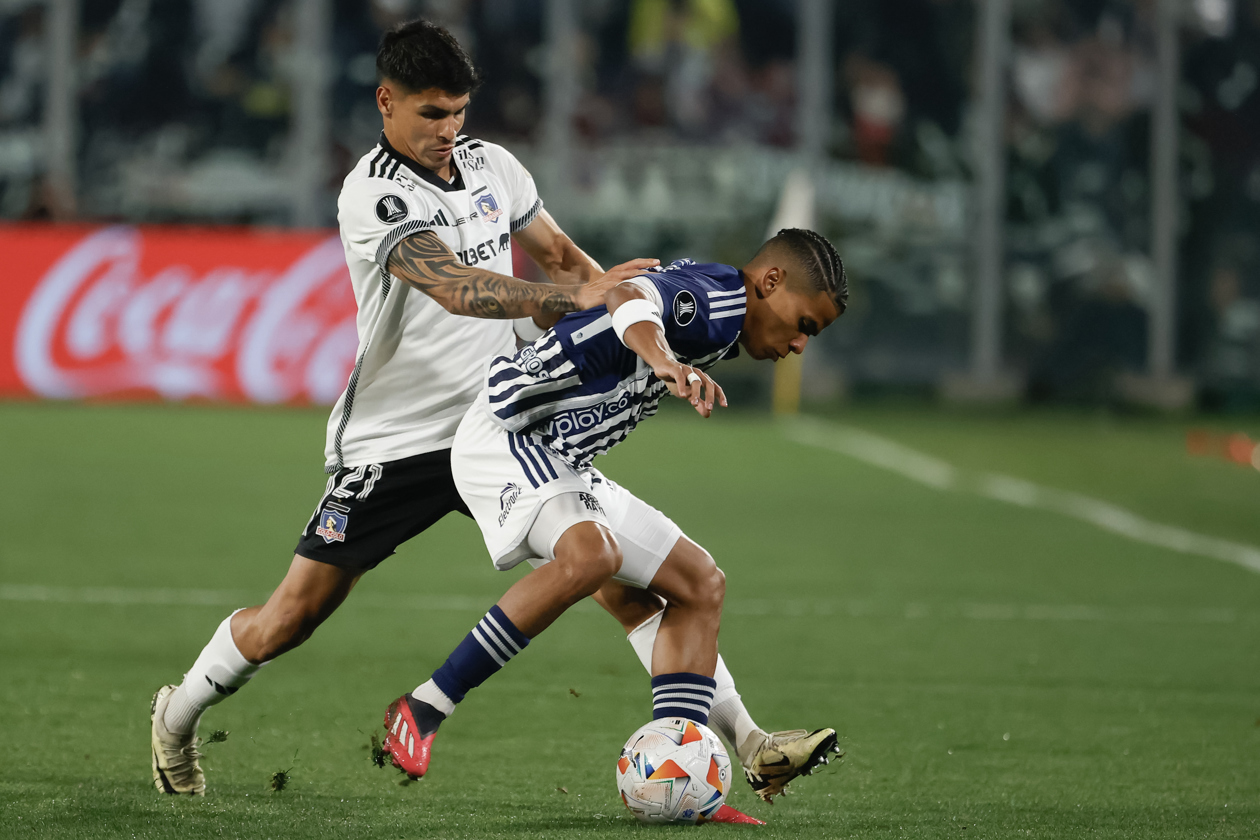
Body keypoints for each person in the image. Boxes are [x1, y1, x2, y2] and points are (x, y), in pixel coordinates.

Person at [149, 19, 832, 806]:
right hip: (399, 439)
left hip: (513, 425)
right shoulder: (371, 193)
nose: (449, 131)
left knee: (617, 579)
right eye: (432, 113)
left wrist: (608, 309)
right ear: (386, 102)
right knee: (289, 619)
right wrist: (571, 298)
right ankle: (180, 714)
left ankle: (738, 744)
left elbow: (568, 264)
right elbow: (452, 284)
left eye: (459, 113)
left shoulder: (493, 169)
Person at [384, 231, 847, 808]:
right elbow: (629, 294)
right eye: (805, 323)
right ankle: (424, 706)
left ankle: (708, 762)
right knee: (592, 556)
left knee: (699, 584)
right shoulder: (720, 304)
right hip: (508, 436)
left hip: (563, 459)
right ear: (770, 283)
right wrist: (663, 360)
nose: (801, 344)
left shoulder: (727, 314)